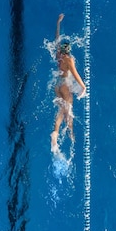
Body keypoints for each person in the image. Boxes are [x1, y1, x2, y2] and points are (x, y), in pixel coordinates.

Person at [51, 13, 86, 153]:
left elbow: (56, 38)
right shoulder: (69, 60)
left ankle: (57, 132)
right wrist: (83, 87)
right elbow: (76, 74)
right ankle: (66, 133)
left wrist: (58, 22)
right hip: (65, 86)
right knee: (67, 110)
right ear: (69, 50)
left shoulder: (58, 54)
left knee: (62, 109)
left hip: (57, 85)